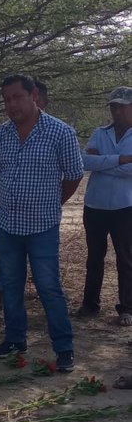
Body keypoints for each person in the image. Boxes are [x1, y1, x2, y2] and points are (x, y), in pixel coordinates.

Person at [0, 73, 84, 371]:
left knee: (48, 286)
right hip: (6, 224)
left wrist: (50, 203)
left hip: (42, 225)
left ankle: (64, 347)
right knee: (10, 284)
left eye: (17, 97)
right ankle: (15, 339)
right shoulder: (0, 135)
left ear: (34, 96)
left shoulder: (60, 132)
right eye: (6, 100)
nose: (12, 104)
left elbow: (73, 176)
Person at [76, 86, 132, 328]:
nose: (116, 111)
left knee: (126, 258)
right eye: (113, 106)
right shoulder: (101, 132)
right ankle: (90, 304)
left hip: (125, 206)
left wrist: (102, 162)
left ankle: (127, 308)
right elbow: (84, 161)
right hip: (95, 205)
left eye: (121, 106)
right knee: (94, 257)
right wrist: (120, 159)